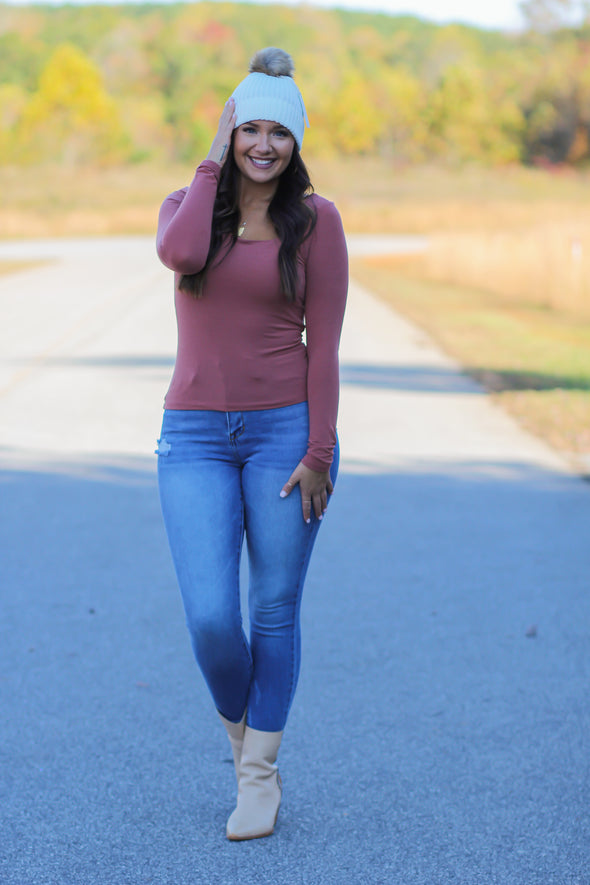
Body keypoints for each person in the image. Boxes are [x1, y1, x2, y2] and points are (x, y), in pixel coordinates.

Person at [155, 47, 348, 841]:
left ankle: (258, 776)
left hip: (283, 434)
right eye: (249, 128)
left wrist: (320, 451)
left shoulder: (317, 222)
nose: (263, 145)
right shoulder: (188, 205)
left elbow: (325, 347)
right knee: (210, 617)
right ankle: (248, 747)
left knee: (273, 609)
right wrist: (209, 159)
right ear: (230, 130)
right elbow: (180, 255)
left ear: (298, 142)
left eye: (280, 132)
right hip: (194, 435)